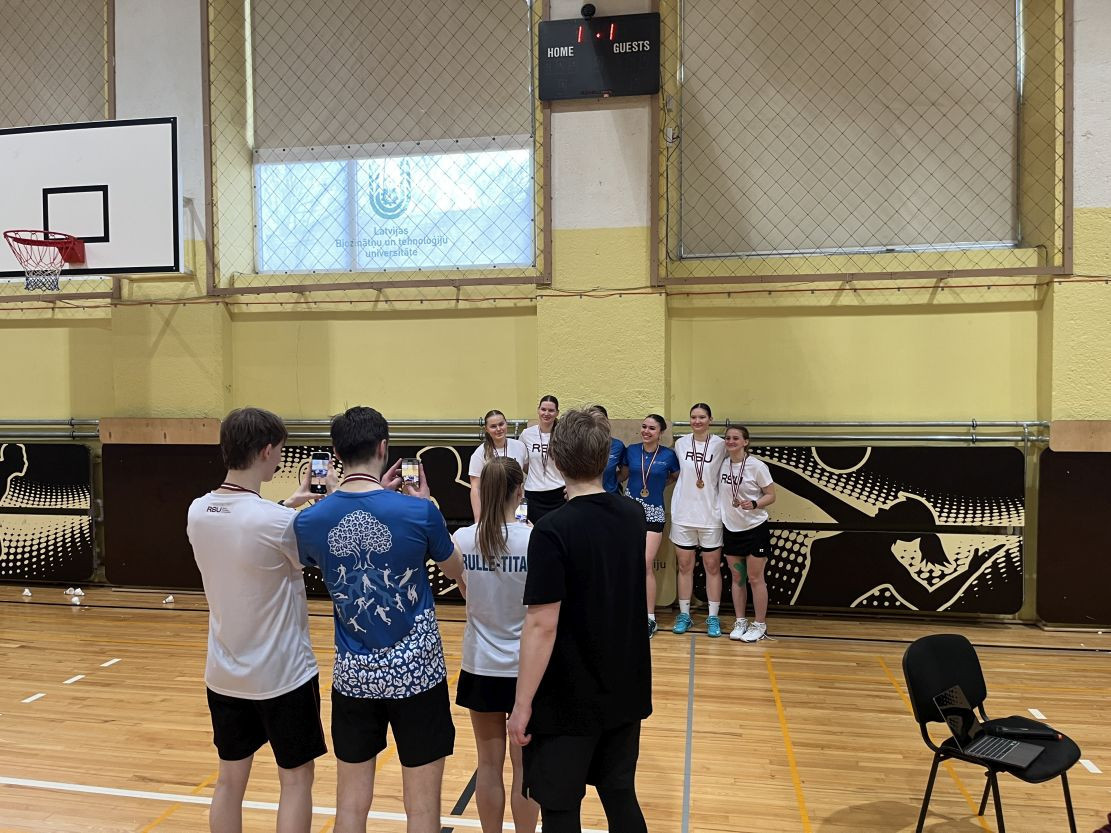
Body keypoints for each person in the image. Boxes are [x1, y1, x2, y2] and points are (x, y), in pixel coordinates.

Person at [294, 406, 466, 833]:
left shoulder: (310, 520)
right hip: (417, 674)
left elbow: (306, 548)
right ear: (383, 448)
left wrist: (323, 499)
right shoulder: (419, 512)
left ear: (336, 455)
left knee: (351, 806)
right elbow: (455, 569)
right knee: (421, 809)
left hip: (354, 676)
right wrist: (422, 505)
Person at [186, 407, 329, 833]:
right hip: (283, 676)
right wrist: (329, 499)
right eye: (279, 450)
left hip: (225, 674)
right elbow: (312, 547)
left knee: (229, 781)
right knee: (296, 780)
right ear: (267, 450)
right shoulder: (277, 522)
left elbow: (244, 527)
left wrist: (291, 503)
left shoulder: (197, 511)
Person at [508, 409, 651, 833]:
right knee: (620, 793)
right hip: (624, 684)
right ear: (605, 456)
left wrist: (521, 704)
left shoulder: (552, 529)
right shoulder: (633, 515)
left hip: (568, 694)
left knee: (560, 807)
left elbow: (542, 624)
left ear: (554, 458)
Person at [452, 457, 539, 833]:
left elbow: (466, 590)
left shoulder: (462, 539)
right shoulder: (533, 540)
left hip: (480, 665)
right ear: (519, 491)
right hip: (525, 668)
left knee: (488, 765)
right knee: (524, 768)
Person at [670, 403, 727, 637]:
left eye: (702, 417)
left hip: (711, 514)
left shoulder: (721, 445)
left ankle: (713, 617)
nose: (697, 421)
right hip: (683, 513)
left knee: (712, 566)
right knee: (684, 566)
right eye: (693, 417)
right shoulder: (681, 444)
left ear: (710, 419)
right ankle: (684, 614)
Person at [719, 425, 777, 642]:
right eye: (727, 438)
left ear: (746, 442)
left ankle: (760, 624)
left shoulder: (757, 466)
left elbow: (771, 495)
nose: (731, 441)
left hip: (755, 529)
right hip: (731, 529)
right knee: (737, 577)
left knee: (755, 578)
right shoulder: (722, 464)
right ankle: (740, 621)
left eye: (736, 438)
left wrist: (754, 503)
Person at [625, 414, 681, 638]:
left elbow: (675, 476)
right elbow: (623, 474)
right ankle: (628, 611)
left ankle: (649, 618)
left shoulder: (668, 455)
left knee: (646, 564)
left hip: (654, 513)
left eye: (652, 428)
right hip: (629, 512)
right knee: (628, 564)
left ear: (660, 433)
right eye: (644, 427)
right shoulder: (631, 450)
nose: (646, 431)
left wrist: (659, 485)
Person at [468, 409, 529, 520]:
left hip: (517, 507)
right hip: (493, 509)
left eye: (501, 424)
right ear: (486, 429)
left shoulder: (520, 446)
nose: (498, 429)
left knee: (520, 530)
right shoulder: (480, 453)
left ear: (506, 423)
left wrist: (523, 517)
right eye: (493, 426)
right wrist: (478, 519)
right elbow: (476, 488)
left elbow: (524, 479)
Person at [519, 395, 565, 523]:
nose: (546, 413)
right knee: (534, 529)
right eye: (543, 409)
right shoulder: (526, 434)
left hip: (558, 493)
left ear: (557, 413)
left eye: (551, 410)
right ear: (538, 410)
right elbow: (525, 464)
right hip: (533, 493)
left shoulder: (563, 434)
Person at [590, 404, 627, 495]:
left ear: (606, 422)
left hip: (610, 495)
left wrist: (611, 483)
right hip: (586, 496)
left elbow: (624, 473)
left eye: (600, 420)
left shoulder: (617, 446)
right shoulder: (580, 445)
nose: (595, 424)